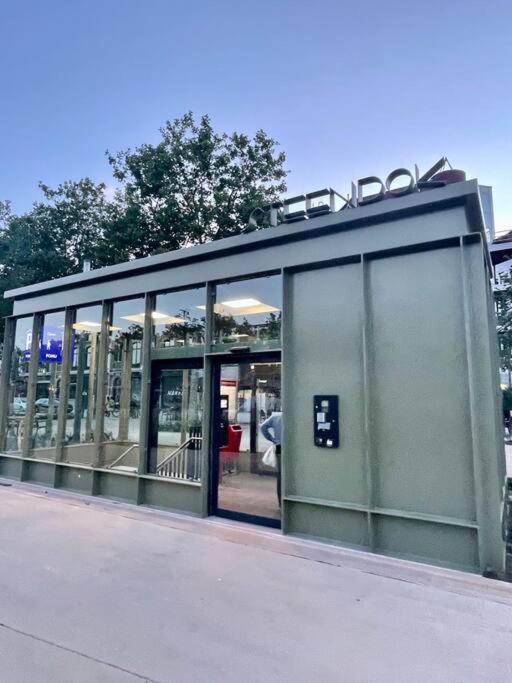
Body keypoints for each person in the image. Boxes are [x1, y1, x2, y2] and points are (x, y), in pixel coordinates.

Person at [260, 411, 282, 505]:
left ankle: (281, 502)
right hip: (294, 449)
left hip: (280, 447)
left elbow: (262, 427)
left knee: (281, 475)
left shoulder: (276, 417)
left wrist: (271, 439)